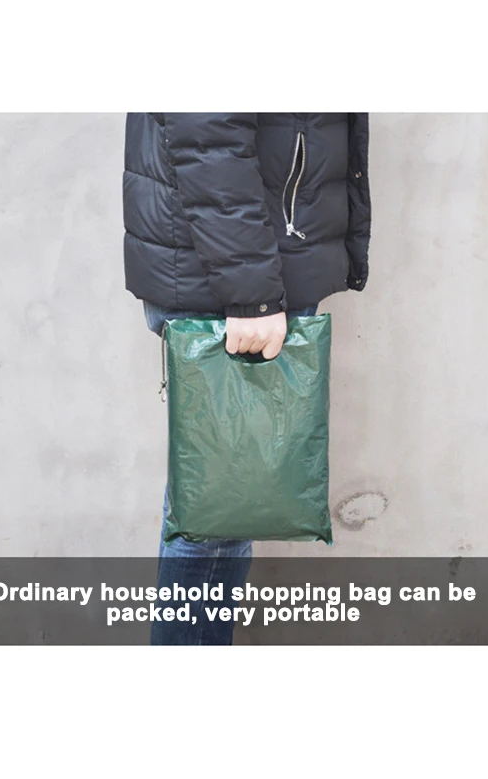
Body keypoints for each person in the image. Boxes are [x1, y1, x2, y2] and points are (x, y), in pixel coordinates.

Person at [122, 113, 371, 644]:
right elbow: (207, 136)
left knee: (223, 511)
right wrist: (251, 292)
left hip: (252, 263)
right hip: (236, 276)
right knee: (218, 512)